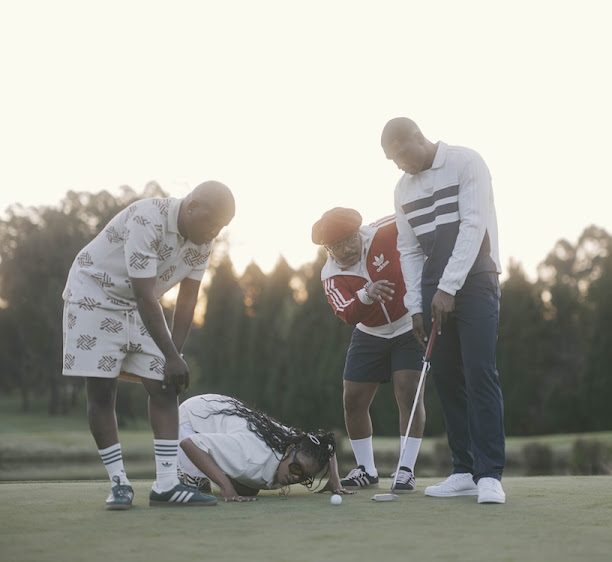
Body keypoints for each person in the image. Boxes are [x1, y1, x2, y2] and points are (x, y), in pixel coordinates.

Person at [61, 181, 235, 510]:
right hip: (93, 296)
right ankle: (119, 484)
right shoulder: (148, 219)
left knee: (166, 385)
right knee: (101, 390)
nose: (214, 231)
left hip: (139, 304)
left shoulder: (202, 239)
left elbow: (187, 301)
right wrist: (170, 354)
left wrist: (176, 356)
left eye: (221, 227)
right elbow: (144, 294)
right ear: (192, 205)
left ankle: (167, 485)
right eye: (211, 222)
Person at [381, 117, 507, 504]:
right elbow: (409, 250)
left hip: (475, 281)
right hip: (435, 294)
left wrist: (448, 287)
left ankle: (489, 475)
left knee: (480, 373)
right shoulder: (403, 189)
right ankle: (464, 470)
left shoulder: (466, 163)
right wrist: (416, 306)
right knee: (448, 379)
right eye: (393, 161)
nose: (400, 166)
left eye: (401, 155)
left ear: (418, 138)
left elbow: (472, 225)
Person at [311, 207, 426, 492]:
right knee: (352, 400)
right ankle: (367, 470)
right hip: (370, 334)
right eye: (337, 246)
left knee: (408, 393)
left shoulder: (383, 230)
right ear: (327, 248)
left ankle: (406, 470)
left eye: (350, 240)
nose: (347, 249)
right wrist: (366, 293)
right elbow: (347, 313)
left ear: (358, 232)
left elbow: (415, 214)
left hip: (407, 324)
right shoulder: (331, 275)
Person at [177, 393, 345, 500]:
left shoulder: (297, 444)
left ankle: (213, 469)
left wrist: (334, 480)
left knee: (249, 489)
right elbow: (189, 443)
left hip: (222, 409)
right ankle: (188, 473)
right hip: (193, 417)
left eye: (304, 478)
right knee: (200, 484)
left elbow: (325, 447)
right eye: (296, 469)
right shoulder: (250, 456)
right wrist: (226, 488)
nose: (296, 478)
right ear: (289, 450)